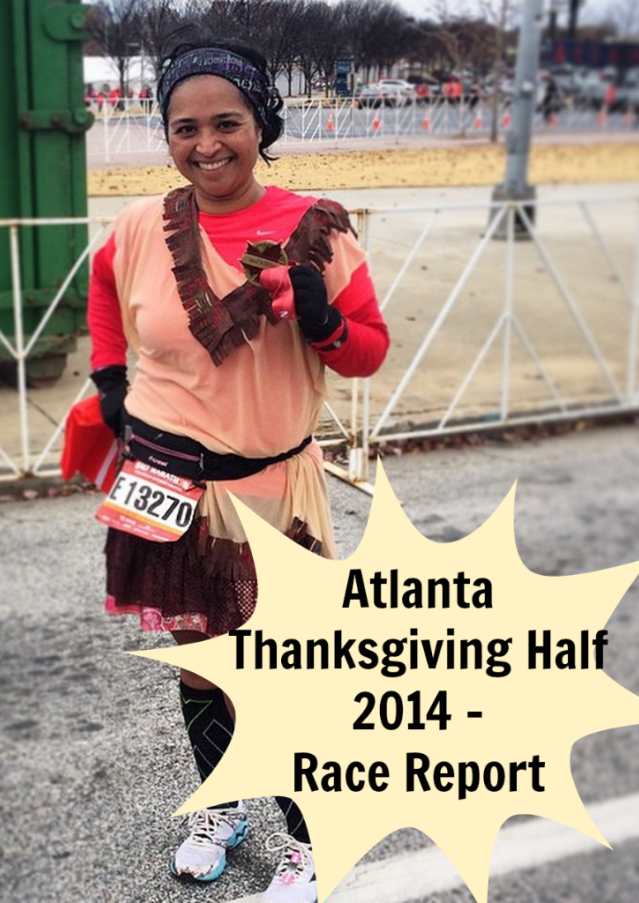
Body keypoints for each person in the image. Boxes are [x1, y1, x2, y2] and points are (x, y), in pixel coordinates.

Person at [86, 33, 389, 903]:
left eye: (227, 122)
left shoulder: (315, 228)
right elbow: (103, 290)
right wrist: (110, 379)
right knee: (200, 661)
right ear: (167, 135)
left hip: (269, 486)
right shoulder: (141, 225)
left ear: (262, 124)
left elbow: (367, 353)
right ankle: (221, 807)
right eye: (185, 127)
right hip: (166, 480)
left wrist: (322, 319)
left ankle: (309, 838)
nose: (206, 144)